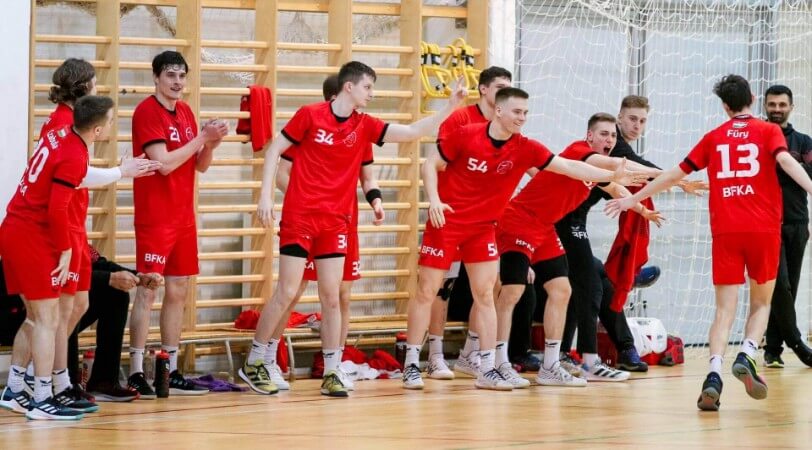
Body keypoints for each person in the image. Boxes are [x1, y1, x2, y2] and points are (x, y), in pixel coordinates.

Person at [245, 61, 466, 398]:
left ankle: (332, 370)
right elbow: (275, 148)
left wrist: (450, 106)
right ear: (349, 87)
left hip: (335, 222)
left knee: (332, 297)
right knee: (287, 291)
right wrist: (265, 196)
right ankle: (255, 360)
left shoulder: (364, 125)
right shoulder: (310, 115)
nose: (372, 94)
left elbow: (410, 132)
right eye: (368, 87)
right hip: (300, 217)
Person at [403, 88, 647, 391]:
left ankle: (490, 368)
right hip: (449, 220)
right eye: (517, 112)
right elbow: (430, 163)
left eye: (526, 113)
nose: (523, 118)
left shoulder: (526, 147)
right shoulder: (467, 134)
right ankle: (412, 363)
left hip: (484, 228)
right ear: (499, 111)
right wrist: (434, 200)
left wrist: (622, 186)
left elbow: (569, 167)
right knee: (428, 291)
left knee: (488, 294)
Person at [605, 74, 812, 411]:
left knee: (724, 310)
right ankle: (747, 352)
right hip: (763, 230)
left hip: (726, 231)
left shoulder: (713, 138)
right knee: (761, 303)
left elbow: (674, 174)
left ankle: (713, 373)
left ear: (725, 106)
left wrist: (632, 199)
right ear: (753, 99)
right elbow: (786, 161)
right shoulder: (769, 131)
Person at [25, 58, 160, 412]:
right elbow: (77, 175)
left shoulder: (62, 120)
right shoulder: (67, 125)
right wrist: (121, 171)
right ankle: (46, 385)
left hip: (72, 224)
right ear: (85, 87)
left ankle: (54, 381)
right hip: (61, 225)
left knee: (75, 306)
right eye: (96, 84)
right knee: (55, 313)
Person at [494, 113, 662, 387]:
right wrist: (670, 175)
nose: (610, 140)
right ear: (589, 136)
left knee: (562, 290)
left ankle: (551, 365)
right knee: (512, 291)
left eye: (613, 136)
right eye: (604, 134)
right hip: (520, 220)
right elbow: (617, 167)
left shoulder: (595, 173)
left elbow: (617, 189)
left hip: (545, 227)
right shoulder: (578, 151)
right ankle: (499, 361)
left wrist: (644, 211)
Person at [267, 75, 385, 391]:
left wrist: (376, 200)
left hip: (342, 222)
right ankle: (268, 358)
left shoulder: (360, 130)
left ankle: (334, 364)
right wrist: (309, 201)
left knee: (340, 295)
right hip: (307, 218)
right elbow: (282, 173)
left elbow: (368, 178)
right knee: (292, 291)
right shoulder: (311, 126)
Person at [0, 95, 115, 420]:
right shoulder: (74, 155)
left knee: (36, 318)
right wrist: (65, 249)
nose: (110, 126)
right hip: (30, 235)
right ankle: (41, 398)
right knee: (47, 320)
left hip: (18, 229)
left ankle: (18, 389)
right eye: (109, 122)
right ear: (97, 129)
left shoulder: (61, 134)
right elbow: (56, 209)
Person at [128, 51, 228, 398]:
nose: (177, 82)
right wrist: (201, 138)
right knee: (148, 289)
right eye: (171, 75)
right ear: (156, 77)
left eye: (182, 76)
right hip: (156, 216)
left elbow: (199, 165)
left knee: (179, 291)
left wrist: (211, 144)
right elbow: (164, 164)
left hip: (183, 216)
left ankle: (169, 369)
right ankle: (136, 370)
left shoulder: (185, 111)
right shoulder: (146, 111)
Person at [424, 66, 513, 380]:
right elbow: (438, 163)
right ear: (484, 89)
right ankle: (435, 356)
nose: (504, 93)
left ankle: (471, 353)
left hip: (483, 220)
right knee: (441, 288)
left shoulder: (506, 127)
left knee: (490, 287)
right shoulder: (460, 120)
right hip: (451, 215)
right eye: (499, 87)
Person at [66, 245, 163, 402]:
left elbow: (98, 263)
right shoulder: (51, 234)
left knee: (116, 292)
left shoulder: (77, 235)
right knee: (70, 302)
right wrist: (109, 278)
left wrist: (138, 276)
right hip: (32, 314)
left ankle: (104, 381)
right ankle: (67, 385)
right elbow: (64, 274)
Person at [761, 85, 812, 368]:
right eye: (772, 104)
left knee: (789, 285)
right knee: (779, 286)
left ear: (791, 107)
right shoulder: (757, 138)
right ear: (765, 106)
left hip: (797, 222)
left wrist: (785, 164)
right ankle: (796, 343)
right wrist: (790, 166)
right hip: (766, 224)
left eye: (782, 104)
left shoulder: (804, 141)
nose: (777, 109)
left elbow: (809, 173)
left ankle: (773, 349)